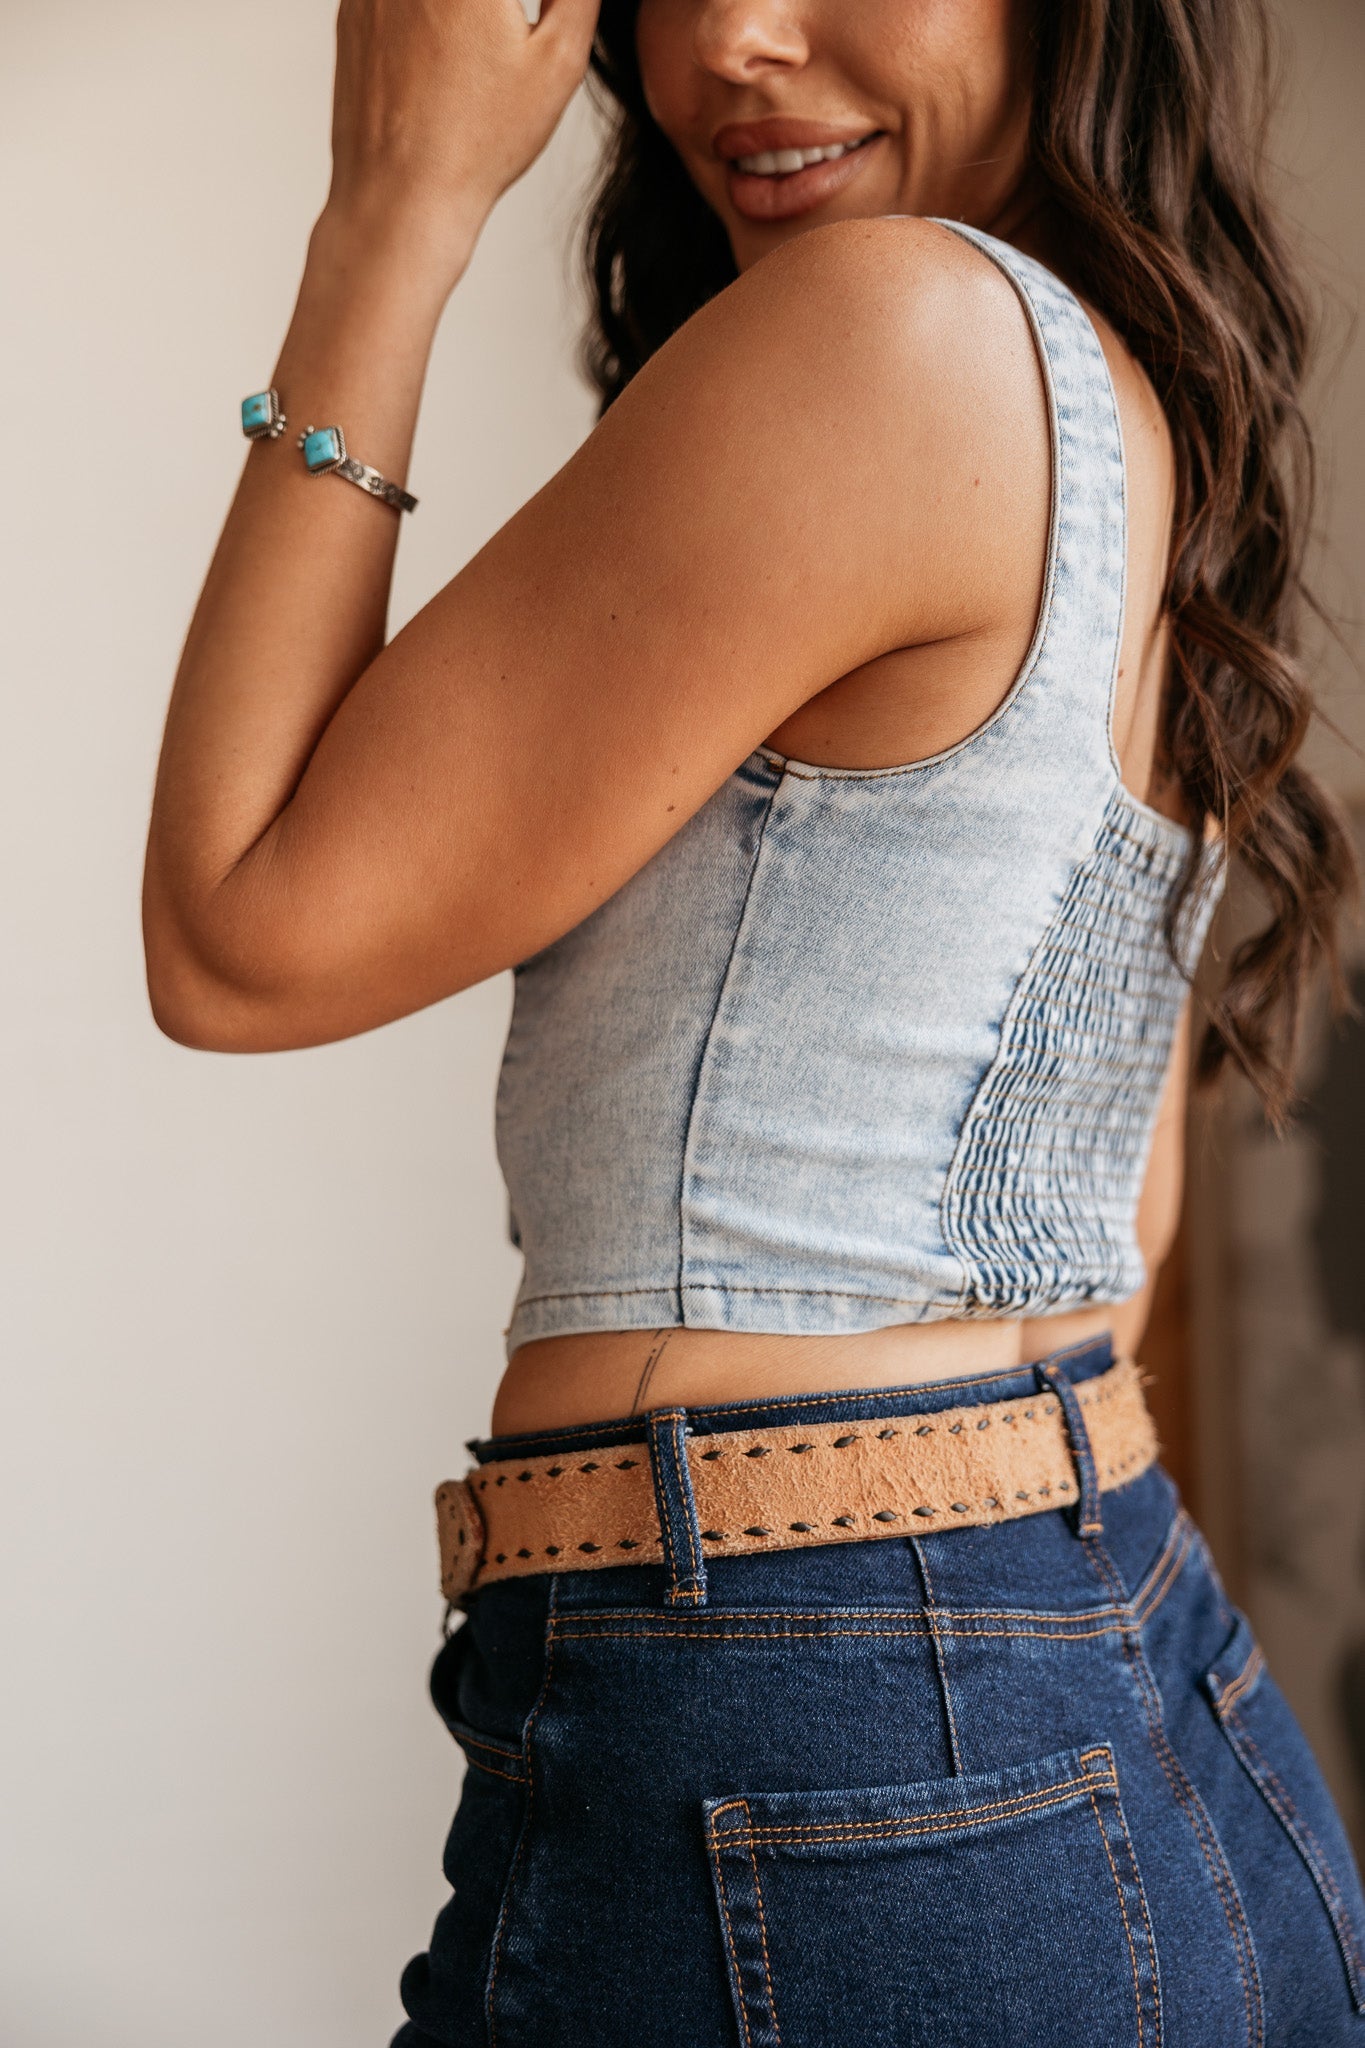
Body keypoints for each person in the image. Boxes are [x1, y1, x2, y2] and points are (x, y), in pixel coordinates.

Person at [143, 0, 1365, 2040]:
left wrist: (391, 211)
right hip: (1106, 1683)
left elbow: (238, 932)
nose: (724, 40)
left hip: (820, 1743)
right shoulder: (1105, 386)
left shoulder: (892, 333)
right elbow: (1114, 1228)